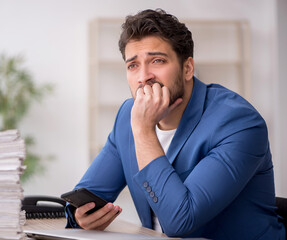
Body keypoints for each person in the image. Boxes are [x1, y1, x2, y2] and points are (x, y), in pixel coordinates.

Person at [64, 9, 286, 239]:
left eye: (157, 61)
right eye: (133, 65)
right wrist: (80, 215)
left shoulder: (238, 123)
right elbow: (87, 195)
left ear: (187, 68)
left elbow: (181, 221)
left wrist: (143, 130)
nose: (143, 76)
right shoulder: (127, 115)